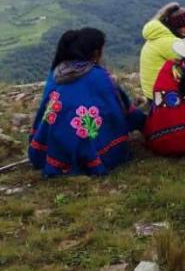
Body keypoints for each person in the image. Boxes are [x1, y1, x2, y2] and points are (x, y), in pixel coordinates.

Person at [28, 28, 146, 177]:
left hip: (53, 149)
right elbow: (118, 108)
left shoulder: (57, 72)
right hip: (89, 149)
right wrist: (143, 122)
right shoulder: (99, 76)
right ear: (96, 52)